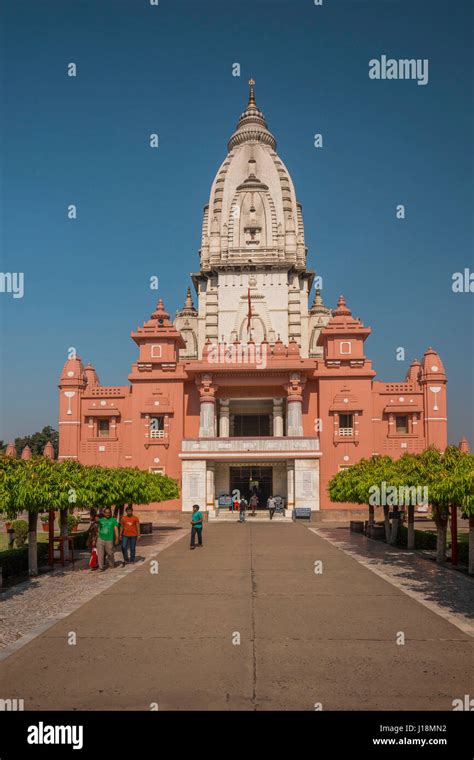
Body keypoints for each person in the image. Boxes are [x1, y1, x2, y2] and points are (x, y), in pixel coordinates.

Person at [96, 506, 120, 571]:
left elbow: (116, 529)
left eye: (109, 512)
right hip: (100, 539)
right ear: (104, 513)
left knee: (110, 553)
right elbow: (98, 529)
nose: (107, 514)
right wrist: (97, 537)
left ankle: (111, 564)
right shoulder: (101, 520)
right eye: (106, 513)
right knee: (100, 553)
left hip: (109, 539)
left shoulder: (113, 520)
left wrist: (117, 538)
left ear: (110, 513)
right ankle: (100, 567)